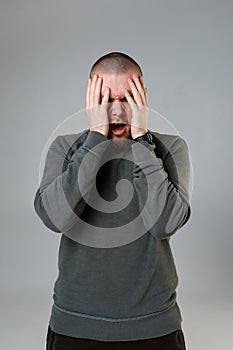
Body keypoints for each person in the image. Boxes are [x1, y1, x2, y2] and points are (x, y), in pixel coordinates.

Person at [34, 52, 191, 349]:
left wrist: (143, 142)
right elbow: (56, 218)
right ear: (90, 101)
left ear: (142, 98)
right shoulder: (66, 147)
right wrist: (95, 138)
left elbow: (164, 224)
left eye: (127, 99)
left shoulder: (169, 148)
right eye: (105, 100)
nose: (117, 112)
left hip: (155, 326)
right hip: (74, 326)